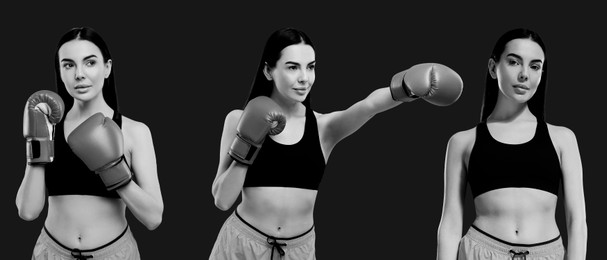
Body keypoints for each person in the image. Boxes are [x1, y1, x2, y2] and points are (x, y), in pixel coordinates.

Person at [210, 27, 463, 259]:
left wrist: (407, 86)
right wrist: (250, 143)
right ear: (268, 70)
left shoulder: (323, 128)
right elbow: (222, 200)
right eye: (292, 67)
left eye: (310, 67)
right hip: (241, 244)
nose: (304, 78)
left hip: (298, 251)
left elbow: (368, 106)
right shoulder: (238, 119)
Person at [436, 28, 587, 260]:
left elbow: (577, 221)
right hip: (480, 252)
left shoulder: (563, 138)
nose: (524, 74)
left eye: (535, 66)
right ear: (492, 68)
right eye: (514, 62)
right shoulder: (462, 141)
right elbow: (450, 223)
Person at [16, 27, 164, 260]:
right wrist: (39, 140)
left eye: (90, 63)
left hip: (114, 253)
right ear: (60, 71)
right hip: (51, 253)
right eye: (68, 65)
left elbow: (154, 218)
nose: (79, 74)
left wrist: (112, 169)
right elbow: (27, 211)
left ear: (107, 68)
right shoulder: (48, 127)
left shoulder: (135, 131)